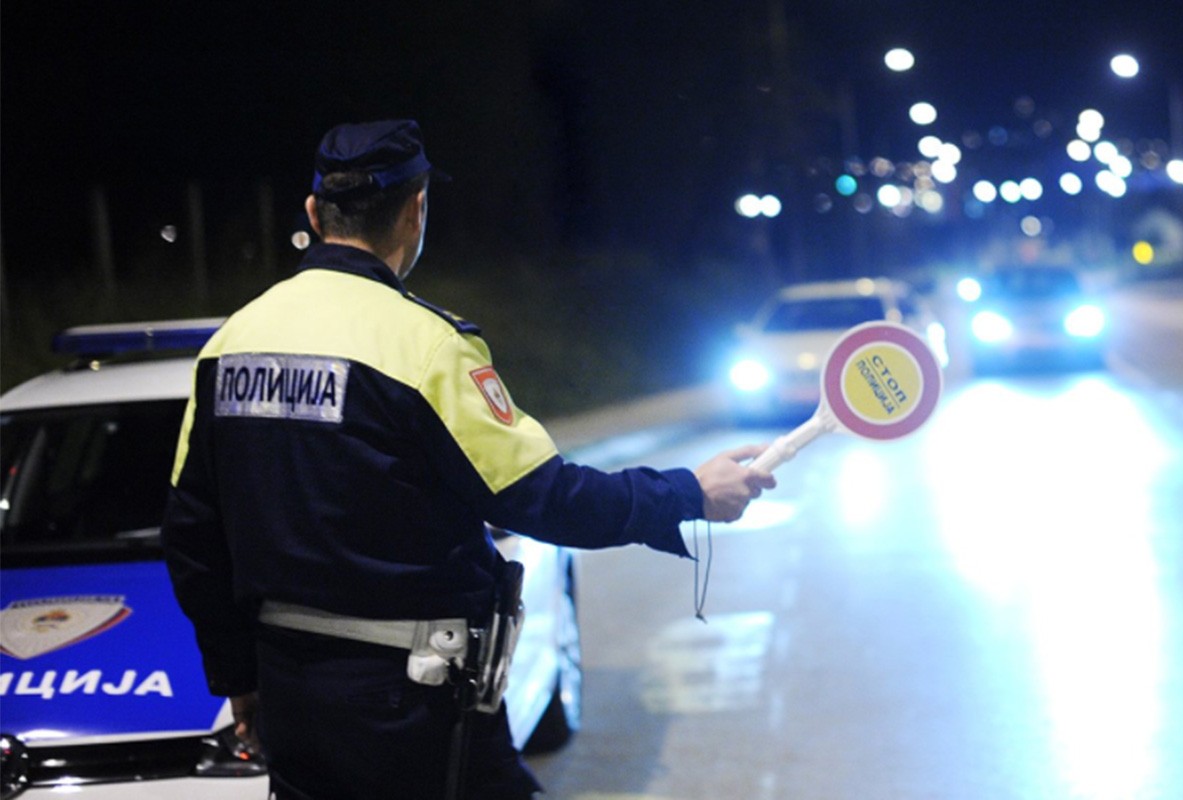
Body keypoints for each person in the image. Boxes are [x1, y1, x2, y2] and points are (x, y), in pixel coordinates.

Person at [161, 119, 776, 800]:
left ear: (313, 212)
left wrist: (237, 676)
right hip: (410, 701)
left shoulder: (230, 344)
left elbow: (192, 534)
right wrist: (689, 491)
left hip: (289, 697)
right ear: (416, 209)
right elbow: (543, 498)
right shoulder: (424, 346)